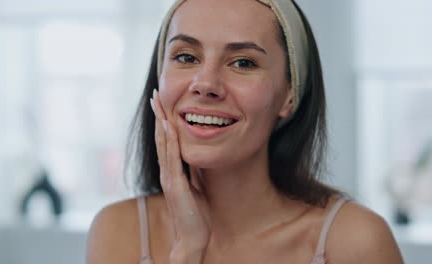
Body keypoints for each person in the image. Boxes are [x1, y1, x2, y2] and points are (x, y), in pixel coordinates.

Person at [86, 0, 404, 263]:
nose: (205, 84)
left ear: (289, 95)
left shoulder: (355, 242)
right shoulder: (118, 231)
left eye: (242, 63)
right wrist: (188, 250)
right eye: (186, 56)